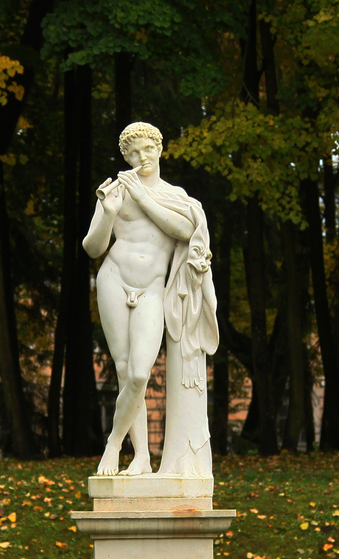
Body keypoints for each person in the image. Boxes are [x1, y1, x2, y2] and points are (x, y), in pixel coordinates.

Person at [83, 122, 198, 475]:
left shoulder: (175, 195)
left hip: (152, 287)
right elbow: (93, 247)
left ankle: (113, 443)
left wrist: (144, 197)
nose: (141, 157)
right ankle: (143, 458)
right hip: (114, 278)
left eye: (147, 149)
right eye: (133, 153)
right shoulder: (116, 191)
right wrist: (109, 212)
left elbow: (184, 230)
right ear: (125, 156)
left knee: (138, 374)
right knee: (122, 369)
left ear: (160, 149)